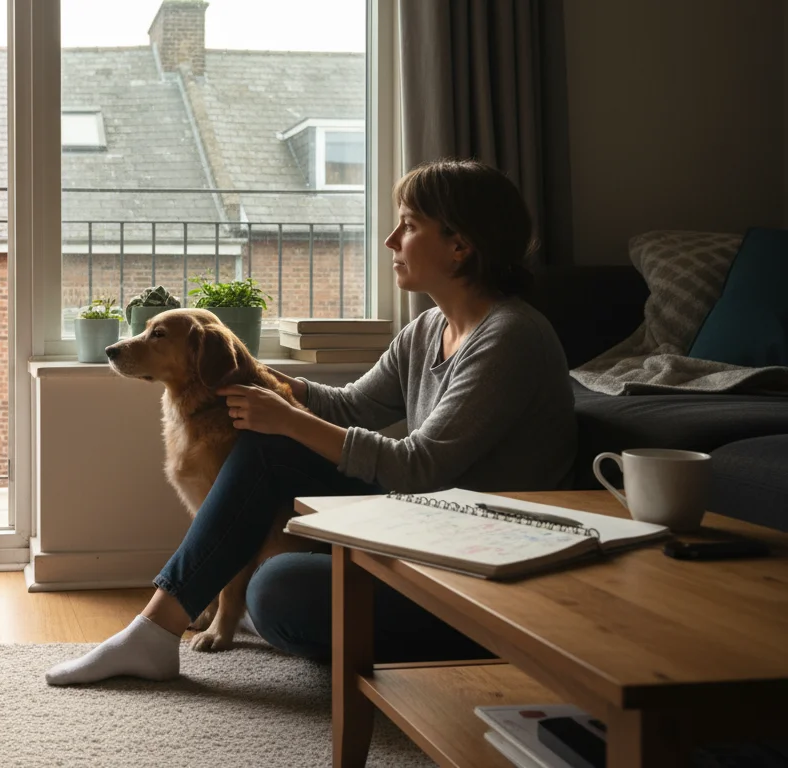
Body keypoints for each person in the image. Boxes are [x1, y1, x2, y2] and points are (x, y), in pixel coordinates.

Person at [45, 158, 577, 685]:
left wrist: (289, 419)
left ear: (460, 245)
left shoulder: (510, 338)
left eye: (409, 225)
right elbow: (351, 406)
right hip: (426, 524)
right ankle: (155, 632)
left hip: (476, 562)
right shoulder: (427, 329)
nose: (392, 240)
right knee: (267, 451)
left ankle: (173, 626)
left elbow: (420, 468)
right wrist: (276, 385)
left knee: (276, 590)